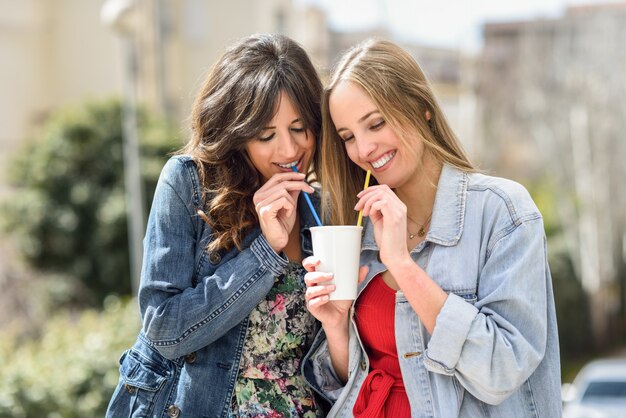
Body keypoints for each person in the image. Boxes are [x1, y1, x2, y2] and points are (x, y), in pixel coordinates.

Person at [301, 39, 561, 417]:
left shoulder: (501, 212)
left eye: (376, 123)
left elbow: (502, 369)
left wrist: (403, 266)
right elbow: (349, 386)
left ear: (421, 108)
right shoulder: (358, 231)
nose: (365, 148)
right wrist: (337, 327)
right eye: (348, 138)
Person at [106, 34, 326, 418]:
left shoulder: (321, 207)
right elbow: (164, 329)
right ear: (237, 135)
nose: (289, 150)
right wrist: (264, 253)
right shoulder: (189, 183)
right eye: (266, 135)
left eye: (299, 127)